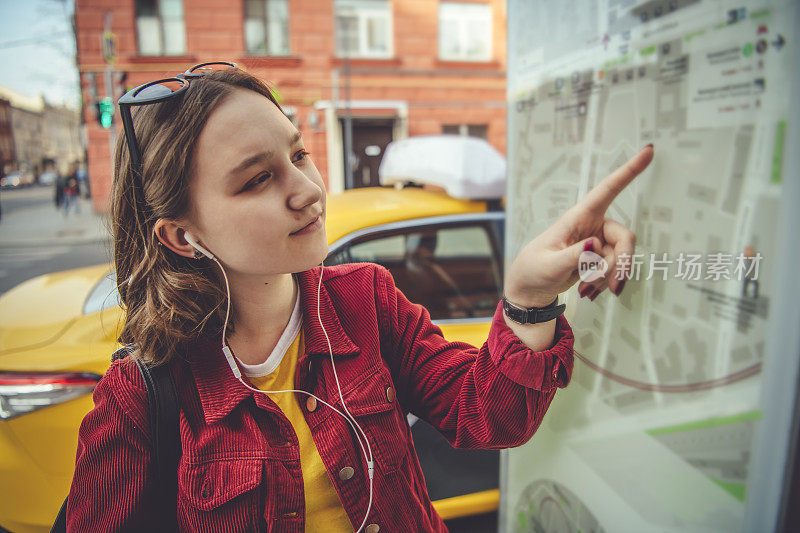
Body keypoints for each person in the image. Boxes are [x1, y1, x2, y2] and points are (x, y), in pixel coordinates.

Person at [65, 64, 651, 532]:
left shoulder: (362, 300)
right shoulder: (144, 393)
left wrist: (528, 297)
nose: (308, 191)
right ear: (181, 235)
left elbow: (488, 417)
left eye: (298, 155)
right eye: (256, 179)